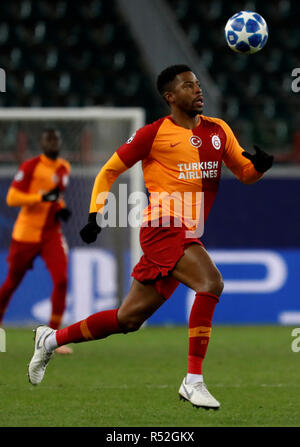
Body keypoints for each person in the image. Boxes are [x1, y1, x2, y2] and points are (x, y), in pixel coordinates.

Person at [28, 65, 273, 407]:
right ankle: (193, 380)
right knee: (211, 283)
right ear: (170, 97)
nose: (198, 90)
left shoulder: (219, 131)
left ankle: (51, 339)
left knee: (127, 319)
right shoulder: (153, 134)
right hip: (162, 226)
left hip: (188, 230)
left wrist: (260, 167)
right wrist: (95, 213)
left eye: (198, 84)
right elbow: (109, 170)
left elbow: (244, 174)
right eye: (189, 86)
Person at [0, 129, 73, 355]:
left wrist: (60, 209)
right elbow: (12, 198)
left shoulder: (64, 168)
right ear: (41, 143)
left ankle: (52, 338)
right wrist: (40, 198)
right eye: (48, 139)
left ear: (60, 142)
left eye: (55, 139)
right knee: (12, 281)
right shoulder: (30, 167)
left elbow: (57, 197)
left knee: (61, 280)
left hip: (51, 234)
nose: (52, 142)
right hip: (27, 234)